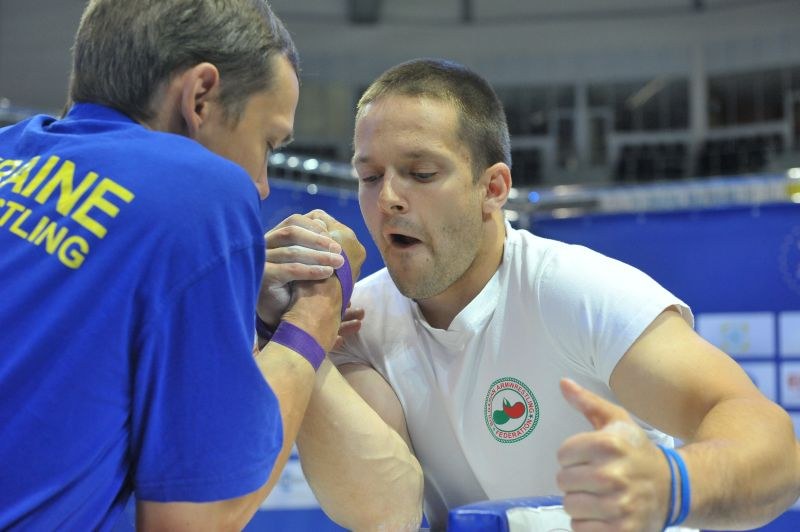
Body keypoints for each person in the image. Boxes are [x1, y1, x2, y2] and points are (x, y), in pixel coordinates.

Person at [297, 58, 800, 531]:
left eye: (422, 173)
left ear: (493, 189)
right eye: (369, 177)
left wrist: (674, 484)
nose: (387, 198)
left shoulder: (575, 290)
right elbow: (387, 513)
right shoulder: (353, 321)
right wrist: (301, 329)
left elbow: (777, 453)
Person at [0, 0, 368, 529]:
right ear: (200, 97)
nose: (262, 183)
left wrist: (227, 288)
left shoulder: (13, 155)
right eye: (267, 143)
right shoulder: (200, 191)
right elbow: (198, 520)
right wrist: (317, 312)